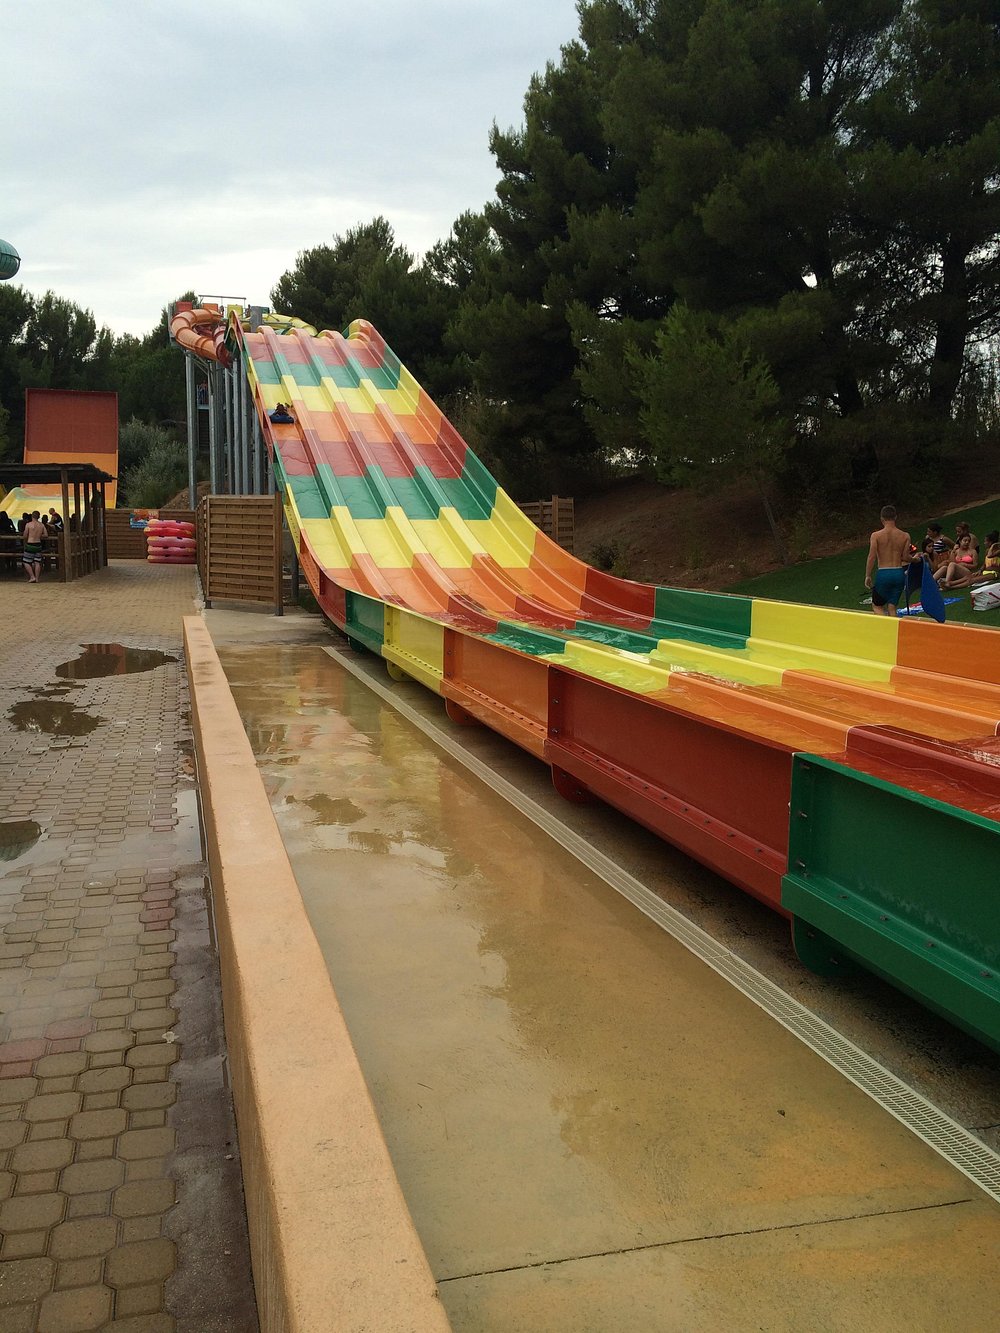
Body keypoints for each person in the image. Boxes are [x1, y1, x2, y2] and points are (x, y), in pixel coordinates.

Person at [865, 506, 913, 616]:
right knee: (892, 607)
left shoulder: (876, 535)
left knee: (877, 606)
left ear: (882, 519)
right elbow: (906, 557)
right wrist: (915, 559)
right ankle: (893, 625)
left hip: (884, 573)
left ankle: (884, 626)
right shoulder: (905, 535)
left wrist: (868, 575)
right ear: (895, 517)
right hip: (899, 573)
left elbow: (871, 556)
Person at [21, 510, 46, 583]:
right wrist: (39, 535)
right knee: (37, 562)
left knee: (26, 561)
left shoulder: (28, 524)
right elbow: (46, 535)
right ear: (39, 517)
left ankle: (32, 576)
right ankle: (37, 578)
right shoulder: (41, 525)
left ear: (32, 516)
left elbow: (25, 535)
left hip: (30, 544)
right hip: (38, 544)